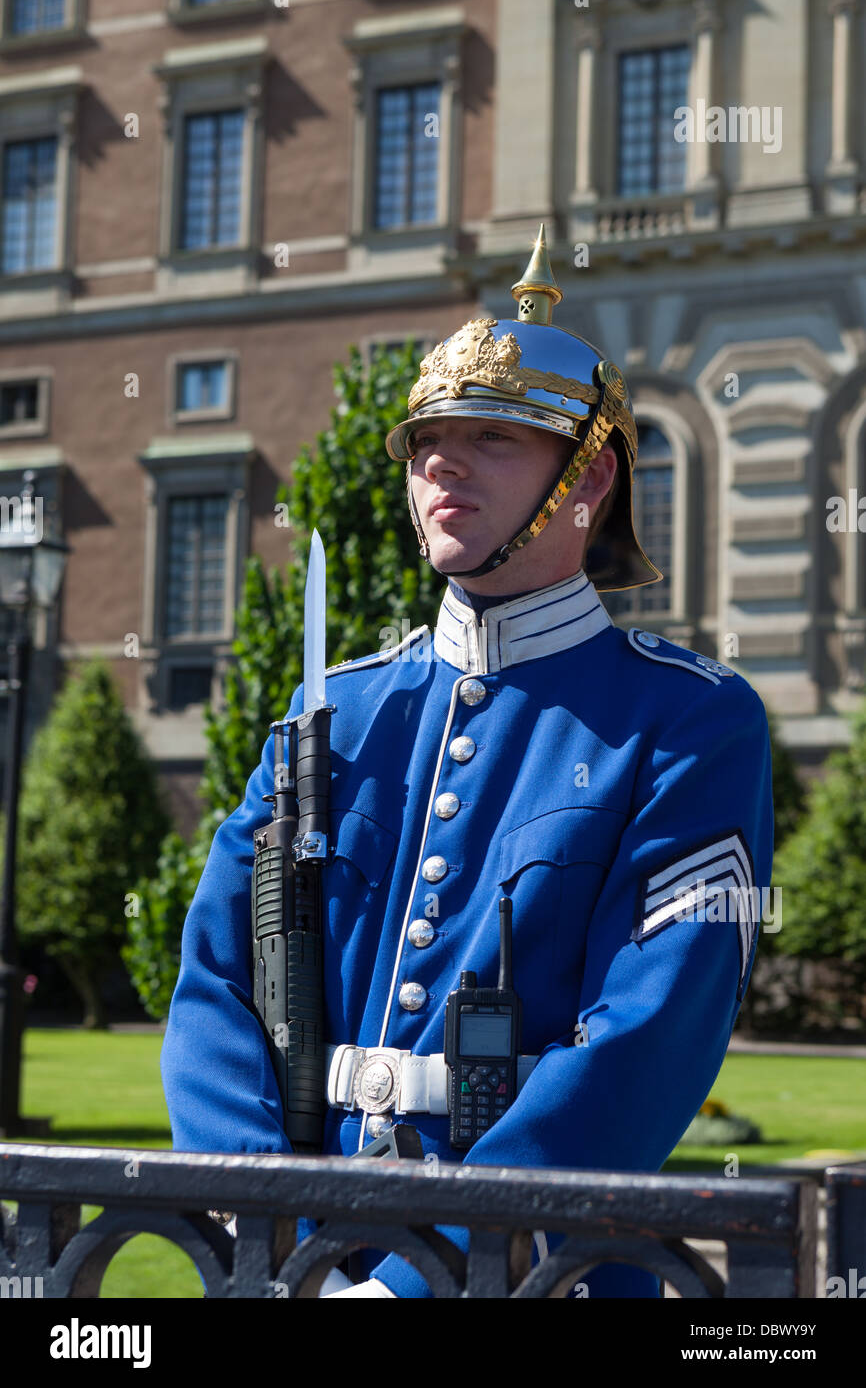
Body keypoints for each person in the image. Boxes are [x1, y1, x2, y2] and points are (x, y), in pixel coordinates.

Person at [161, 227, 774, 1300]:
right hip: (297, 1261)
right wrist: (273, 1241)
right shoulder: (332, 712)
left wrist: (418, 1282)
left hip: (538, 1274)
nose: (441, 458)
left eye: (492, 436)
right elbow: (217, 983)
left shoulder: (687, 720)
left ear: (585, 479)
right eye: (428, 437)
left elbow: (644, 1038)